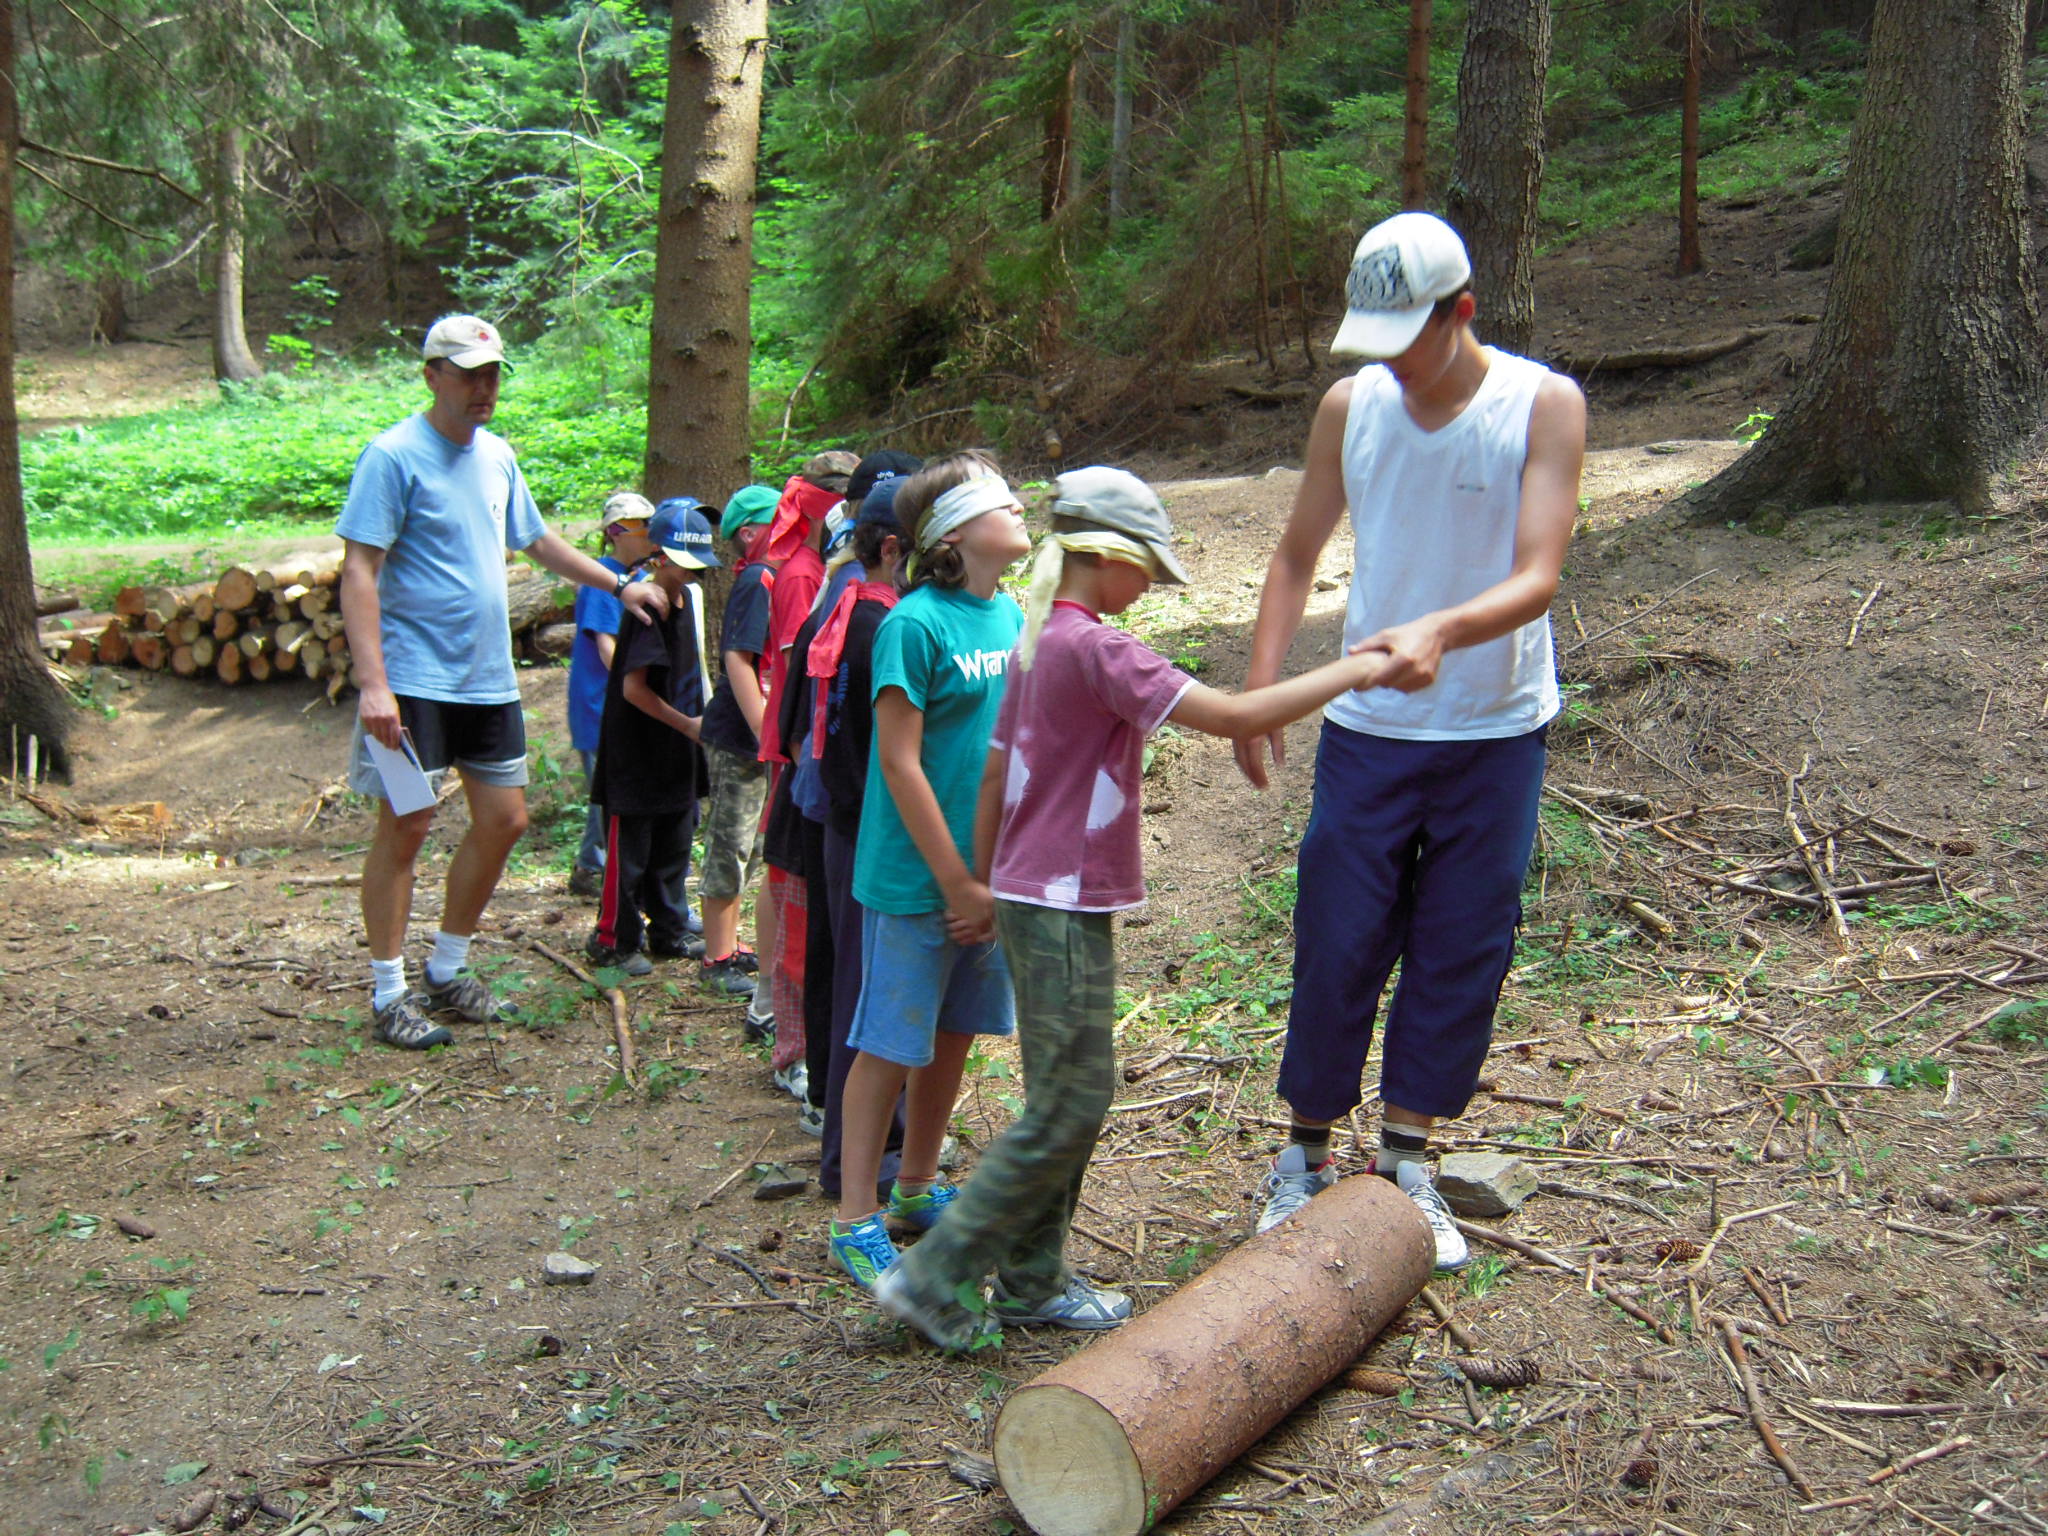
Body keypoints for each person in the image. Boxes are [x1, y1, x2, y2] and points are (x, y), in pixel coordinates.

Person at [872, 468, 1395, 1352]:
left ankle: (1032, 1280)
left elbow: (995, 774)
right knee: (1072, 1101)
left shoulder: (1036, 639)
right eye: (1147, 567)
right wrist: (1361, 667)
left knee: (1065, 1096)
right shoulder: (1093, 649)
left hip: (1033, 893)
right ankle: (935, 1274)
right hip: (1060, 898)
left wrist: (990, 880)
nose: (1150, 585)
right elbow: (1232, 714)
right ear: (1107, 555)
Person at [1232, 212, 1586, 1269]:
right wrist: (1261, 688)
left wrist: (1442, 629)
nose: (1387, 359)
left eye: (1406, 337)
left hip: (1494, 728)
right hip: (1371, 729)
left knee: (1461, 943)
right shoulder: (1352, 407)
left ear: (1460, 311)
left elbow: (1537, 573)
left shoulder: (1541, 404)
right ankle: (1302, 1156)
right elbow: (1296, 553)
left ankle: (1406, 1162)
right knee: (1337, 935)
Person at [338, 314, 668, 1050]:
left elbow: (538, 540)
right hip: (413, 679)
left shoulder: (496, 456)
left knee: (506, 819)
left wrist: (619, 585)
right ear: (432, 376)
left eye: (491, 375)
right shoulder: (392, 456)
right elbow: (359, 569)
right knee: (408, 823)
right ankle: (388, 992)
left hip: (486, 679)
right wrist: (373, 684)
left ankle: (446, 968)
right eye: (468, 375)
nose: (483, 388)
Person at [826, 452, 1032, 1289]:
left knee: (953, 1033)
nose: (1020, 508)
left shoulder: (1010, 615)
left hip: (988, 879)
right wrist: (954, 881)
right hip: (919, 881)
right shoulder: (913, 626)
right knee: (890, 1041)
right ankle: (854, 1219)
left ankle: (915, 1186)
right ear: (951, 535)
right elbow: (900, 763)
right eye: (1001, 501)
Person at [782, 459, 918, 1159]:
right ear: (893, 548)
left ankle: (863, 1142)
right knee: (865, 989)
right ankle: (860, 1154)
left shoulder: (856, 605)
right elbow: (854, 741)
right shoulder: (873, 622)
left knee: (854, 980)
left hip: (843, 817)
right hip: (860, 824)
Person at [755, 451, 860, 1109]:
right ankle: (791, 1051)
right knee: (798, 910)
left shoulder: (816, 566)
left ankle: (782, 1026)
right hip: (804, 763)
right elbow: (802, 679)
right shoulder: (802, 573)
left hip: (810, 760)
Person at [585, 500, 716, 973]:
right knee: (631, 852)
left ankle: (669, 928)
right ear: (658, 555)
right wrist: (688, 725)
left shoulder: (686, 601)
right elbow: (633, 689)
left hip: (676, 751)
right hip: (637, 754)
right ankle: (614, 939)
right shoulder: (647, 606)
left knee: (673, 844)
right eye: (682, 562)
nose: (691, 572)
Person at [695, 484, 780, 1016]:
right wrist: (764, 731)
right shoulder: (757, 578)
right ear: (749, 533)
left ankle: (732, 942)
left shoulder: (778, 575)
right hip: (739, 738)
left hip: (763, 737)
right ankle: (717, 956)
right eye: (777, 518)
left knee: (754, 846)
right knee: (730, 843)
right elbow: (738, 658)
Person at [565, 493, 654, 900]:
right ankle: (608, 872)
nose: (649, 532)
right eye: (640, 525)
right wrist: (643, 689)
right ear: (616, 532)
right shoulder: (602, 578)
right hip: (599, 706)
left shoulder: (640, 577)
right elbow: (607, 648)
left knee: (609, 789)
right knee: (611, 793)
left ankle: (590, 866)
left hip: (620, 703)